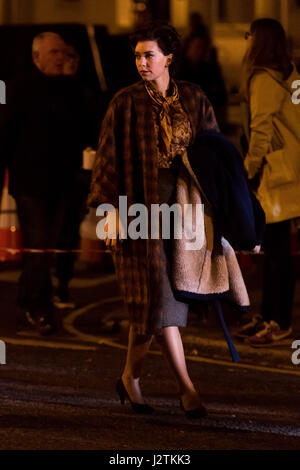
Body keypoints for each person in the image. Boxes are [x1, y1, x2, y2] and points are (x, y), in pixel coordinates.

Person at [88, 22, 251, 418]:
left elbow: (215, 155)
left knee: (154, 305)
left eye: (150, 55)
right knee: (159, 299)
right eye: (138, 55)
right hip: (138, 212)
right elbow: (107, 162)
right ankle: (187, 388)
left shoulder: (194, 98)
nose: (142, 62)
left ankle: (130, 377)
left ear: (169, 58)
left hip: (187, 213)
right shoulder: (125, 102)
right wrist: (107, 213)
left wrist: (228, 210)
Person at [0, 32, 90, 334]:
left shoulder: (69, 88)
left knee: (47, 249)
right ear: (36, 56)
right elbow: (6, 135)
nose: (60, 58)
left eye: (63, 53)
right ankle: (34, 307)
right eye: (53, 53)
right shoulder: (21, 88)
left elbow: (85, 127)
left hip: (63, 184)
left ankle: (32, 300)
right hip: (31, 184)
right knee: (38, 247)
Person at [237, 18, 300, 346]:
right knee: (277, 249)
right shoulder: (290, 75)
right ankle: (270, 315)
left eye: (248, 36)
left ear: (257, 40)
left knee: (276, 251)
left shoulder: (263, 78)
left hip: (277, 175)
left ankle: (277, 321)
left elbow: (261, 130)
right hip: (290, 172)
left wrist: (248, 168)